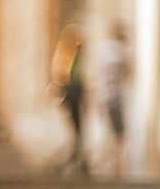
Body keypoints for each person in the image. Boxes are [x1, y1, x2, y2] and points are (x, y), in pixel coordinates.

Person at [50, 23, 87, 175]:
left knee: (78, 130)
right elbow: (61, 76)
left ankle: (80, 160)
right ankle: (75, 160)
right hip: (70, 94)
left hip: (76, 94)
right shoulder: (65, 54)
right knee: (75, 130)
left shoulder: (76, 55)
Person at [95, 21, 131, 176]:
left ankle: (109, 165)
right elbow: (123, 73)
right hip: (113, 99)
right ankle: (111, 165)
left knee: (112, 134)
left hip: (105, 98)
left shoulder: (104, 52)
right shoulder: (116, 53)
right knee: (119, 135)